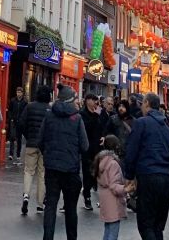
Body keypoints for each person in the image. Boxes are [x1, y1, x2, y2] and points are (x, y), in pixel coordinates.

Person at [36, 84, 89, 240]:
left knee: (51, 206)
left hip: (52, 168)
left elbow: (40, 140)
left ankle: (48, 237)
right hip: (71, 169)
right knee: (71, 208)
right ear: (70, 100)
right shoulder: (77, 118)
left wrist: (48, 154)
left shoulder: (49, 116)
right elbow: (85, 145)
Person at [123, 92, 169, 240]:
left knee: (146, 224)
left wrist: (129, 175)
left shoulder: (141, 123)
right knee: (158, 226)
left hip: (148, 176)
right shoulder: (167, 129)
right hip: (165, 178)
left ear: (146, 103)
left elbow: (132, 150)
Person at [21, 84, 52, 216]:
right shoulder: (49, 110)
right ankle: (40, 203)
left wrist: (28, 137)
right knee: (42, 173)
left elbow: (21, 123)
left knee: (28, 171)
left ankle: (26, 195)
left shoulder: (29, 106)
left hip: (31, 144)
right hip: (44, 146)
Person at [95, 133, 128, 240]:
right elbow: (114, 186)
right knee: (113, 233)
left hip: (105, 201)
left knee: (108, 230)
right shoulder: (113, 164)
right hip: (113, 203)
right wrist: (126, 189)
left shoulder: (101, 161)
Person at [80, 92, 107, 210]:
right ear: (87, 101)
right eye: (93, 100)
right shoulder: (83, 114)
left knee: (96, 173)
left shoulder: (99, 113)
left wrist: (103, 136)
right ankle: (87, 196)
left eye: (96, 100)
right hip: (87, 148)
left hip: (97, 147)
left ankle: (89, 190)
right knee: (87, 173)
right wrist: (96, 116)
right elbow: (86, 128)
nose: (95, 102)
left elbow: (103, 126)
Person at [9, 86, 29, 164]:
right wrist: (11, 118)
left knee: (19, 139)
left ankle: (18, 154)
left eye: (20, 92)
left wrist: (23, 120)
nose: (18, 93)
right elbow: (10, 110)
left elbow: (26, 112)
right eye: (17, 92)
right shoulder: (13, 100)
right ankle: (11, 154)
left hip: (20, 123)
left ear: (22, 93)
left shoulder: (25, 102)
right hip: (13, 121)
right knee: (12, 137)